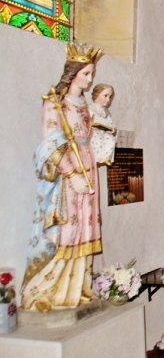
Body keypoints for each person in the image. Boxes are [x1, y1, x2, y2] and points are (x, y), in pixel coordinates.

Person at [21, 42, 104, 313]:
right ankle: (53, 290)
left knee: (86, 226)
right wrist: (71, 173)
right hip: (67, 173)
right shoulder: (55, 102)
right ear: (73, 73)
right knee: (68, 226)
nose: (90, 80)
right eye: (86, 74)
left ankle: (79, 287)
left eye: (92, 74)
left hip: (87, 164)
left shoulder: (82, 106)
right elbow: (51, 144)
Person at [88, 83, 117, 165]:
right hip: (93, 132)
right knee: (97, 139)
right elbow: (83, 121)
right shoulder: (89, 108)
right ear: (97, 94)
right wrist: (89, 126)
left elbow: (111, 123)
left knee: (111, 139)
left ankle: (105, 157)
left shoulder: (106, 112)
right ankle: (96, 157)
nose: (108, 99)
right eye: (105, 96)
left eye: (110, 97)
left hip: (103, 132)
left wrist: (112, 129)